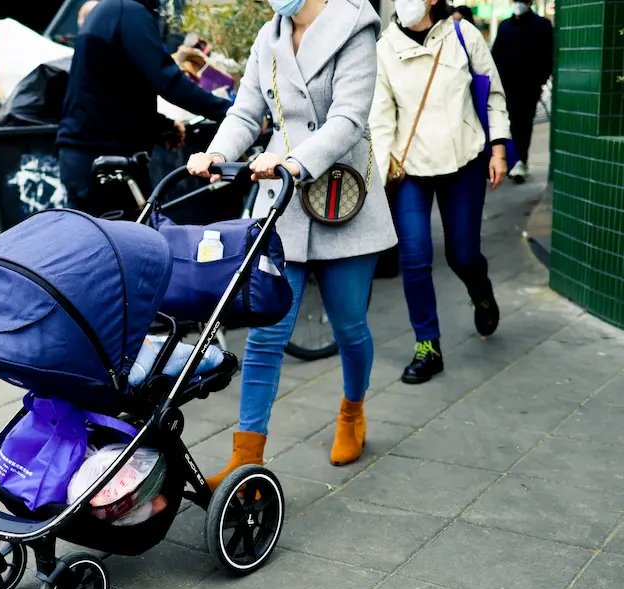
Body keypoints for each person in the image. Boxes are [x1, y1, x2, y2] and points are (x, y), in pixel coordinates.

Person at [187, 0, 397, 483]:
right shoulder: (271, 36)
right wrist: (217, 153)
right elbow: (246, 113)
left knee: (349, 325)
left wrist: (295, 163)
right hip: (280, 202)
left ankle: (352, 412)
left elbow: (348, 119)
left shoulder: (355, 28)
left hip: (340, 194)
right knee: (265, 334)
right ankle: (246, 456)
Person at [369, 0, 510, 384]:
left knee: (462, 255)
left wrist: (498, 150)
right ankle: (427, 345)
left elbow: (493, 94)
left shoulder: (463, 35)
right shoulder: (384, 49)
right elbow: (380, 120)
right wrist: (380, 181)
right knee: (414, 257)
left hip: (465, 159)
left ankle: (481, 293)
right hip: (411, 168)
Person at [57, 0, 231, 214]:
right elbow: (167, 80)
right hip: (105, 160)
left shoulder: (109, 11)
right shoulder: (128, 12)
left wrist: (160, 126)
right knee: (132, 240)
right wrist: (232, 113)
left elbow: (115, 89)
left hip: (87, 157)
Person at [491, 1, 553, 183]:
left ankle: (520, 161)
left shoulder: (542, 25)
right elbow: (495, 55)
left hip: (528, 87)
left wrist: (539, 81)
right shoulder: (505, 26)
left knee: (522, 124)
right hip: (505, 85)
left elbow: (548, 56)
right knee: (503, 123)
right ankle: (506, 159)